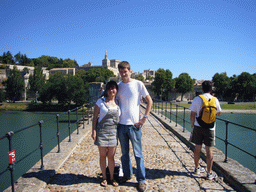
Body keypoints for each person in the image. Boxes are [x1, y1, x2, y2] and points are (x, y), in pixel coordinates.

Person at [116, 61, 153, 192]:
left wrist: (144, 118)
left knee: (138, 154)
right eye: (121, 71)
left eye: (125, 71)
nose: (123, 73)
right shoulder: (118, 86)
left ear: (130, 71)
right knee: (124, 154)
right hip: (121, 125)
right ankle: (127, 175)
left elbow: (149, 101)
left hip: (134, 125)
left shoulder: (138, 84)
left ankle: (141, 180)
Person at [190, 80, 222, 180]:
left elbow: (192, 114)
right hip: (210, 127)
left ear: (202, 89)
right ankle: (209, 173)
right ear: (211, 89)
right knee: (209, 150)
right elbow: (219, 113)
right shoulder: (215, 100)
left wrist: (192, 125)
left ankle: (196, 168)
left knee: (197, 148)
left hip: (198, 126)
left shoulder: (197, 99)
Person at [91, 81, 121, 187]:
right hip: (102, 132)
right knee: (103, 156)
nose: (111, 91)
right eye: (109, 89)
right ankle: (104, 178)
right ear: (106, 90)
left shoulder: (119, 102)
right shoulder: (100, 102)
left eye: (113, 88)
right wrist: (93, 131)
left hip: (113, 133)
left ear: (116, 90)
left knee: (111, 157)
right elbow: (95, 117)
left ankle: (112, 178)